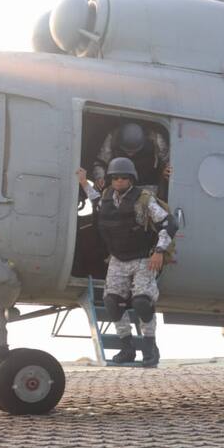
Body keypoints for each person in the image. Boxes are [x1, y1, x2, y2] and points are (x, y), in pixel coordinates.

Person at [76, 157, 178, 367]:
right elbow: (96, 201)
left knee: (142, 302)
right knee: (112, 302)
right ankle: (127, 348)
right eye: (115, 178)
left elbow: (169, 223)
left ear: (131, 179)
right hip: (118, 259)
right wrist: (84, 182)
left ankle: (150, 348)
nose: (119, 182)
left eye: (124, 178)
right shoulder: (107, 196)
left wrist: (159, 251)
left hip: (142, 258)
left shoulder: (143, 199)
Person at [92, 122, 172, 198]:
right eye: (127, 151)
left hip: (149, 186)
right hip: (119, 187)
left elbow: (168, 161)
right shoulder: (113, 138)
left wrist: (166, 170)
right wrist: (100, 178)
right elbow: (101, 162)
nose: (130, 154)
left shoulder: (156, 139)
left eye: (133, 151)